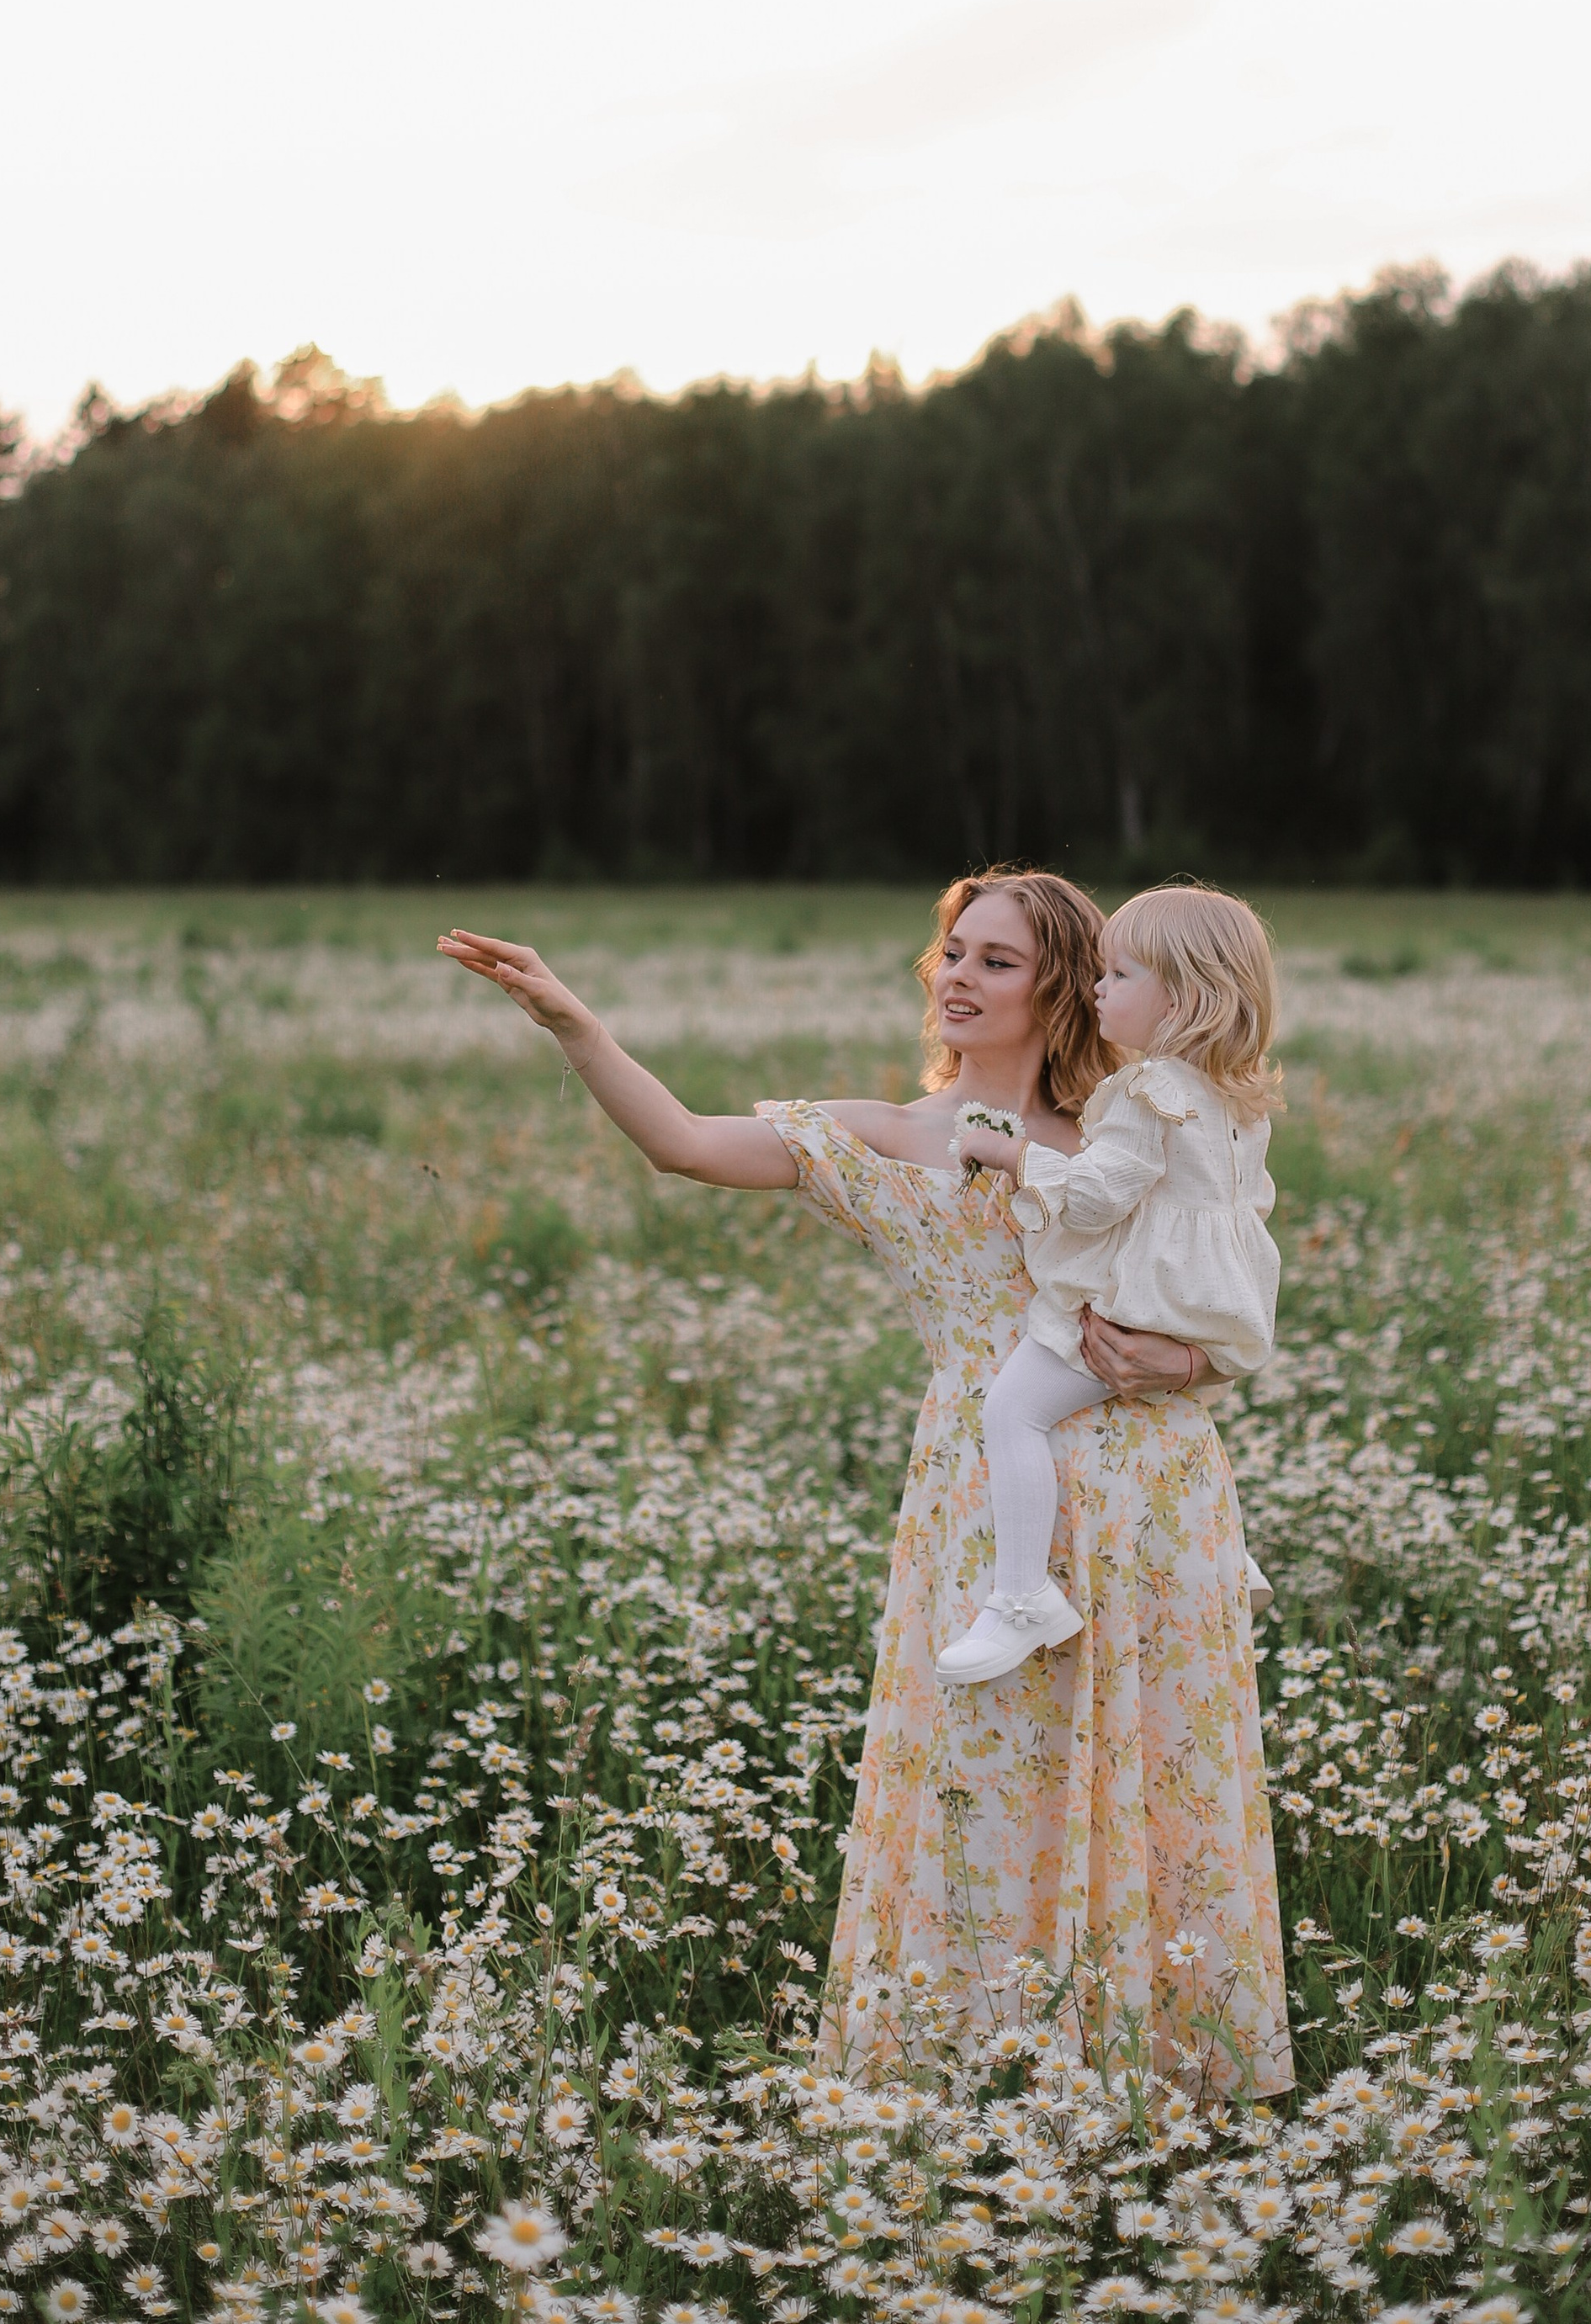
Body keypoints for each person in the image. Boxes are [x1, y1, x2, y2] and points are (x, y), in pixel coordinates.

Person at [438, 870, 1290, 2092]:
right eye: (952, 950)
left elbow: (1229, 1277)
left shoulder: (1144, 1115)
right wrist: (576, 1024)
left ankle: (1163, 2078)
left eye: (997, 961)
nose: (956, 975)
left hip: (1157, 1495)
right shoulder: (895, 1136)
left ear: (1066, 984)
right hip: (991, 1497)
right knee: (988, 1780)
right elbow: (682, 1145)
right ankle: (983, 2077)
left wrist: (1193, 1360)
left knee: (1154, 1777)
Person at [936, 883, 1281, 1683]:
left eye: (1119, 976)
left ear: (1183, 998)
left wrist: (1014, 1157)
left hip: (1143, 1301)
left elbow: (1093, 1200)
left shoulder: (1144, 1090)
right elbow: (1248, 1205)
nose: (1097, 989)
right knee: (1166, 1418)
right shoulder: (1234, 1100)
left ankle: (1022, 1596)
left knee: (1013, 1410)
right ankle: (1231, 1551)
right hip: (1214, 1299)